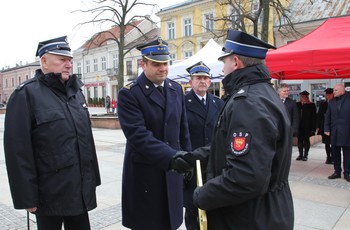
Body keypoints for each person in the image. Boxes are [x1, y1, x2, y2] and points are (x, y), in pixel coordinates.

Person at [192, 30, 294, 229]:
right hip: (265, 212)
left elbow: (246, 177)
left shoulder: (247, 102)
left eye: (224, 62)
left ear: (236, 62)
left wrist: (202, 195)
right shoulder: (264, 93)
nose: (222, 68)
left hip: (250, 217)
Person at [4, 36, 101, 230]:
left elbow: (86, 141)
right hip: (49, 194)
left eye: (70, 60)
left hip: (79, 189)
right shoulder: (26, 95)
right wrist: (26, 196)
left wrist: (93, 181)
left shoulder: (75, 92)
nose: (68, 64)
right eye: (62, 59)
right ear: (44, 62)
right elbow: (18, 151)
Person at [117, 37, 193, 230]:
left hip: (173, 172)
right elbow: (138, 136)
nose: (163, 68)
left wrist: (189, 158)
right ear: (143, 64)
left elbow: (183, 130)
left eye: (165, 63)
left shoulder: (176, 89)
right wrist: (174, 157)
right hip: (146, 176)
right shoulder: (130, 93)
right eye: (157, 64)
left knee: (171, 223)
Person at [183, 61, 224, 230]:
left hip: (213, 164)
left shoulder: (218, 103)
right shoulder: (182, 103)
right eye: (198, 78)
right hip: (193, 165)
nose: (202, 81)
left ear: (210, 81)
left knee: (213, 206)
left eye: (206, 78)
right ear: (191, 81)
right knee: (193, 208)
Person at [324, 84, 350, 181]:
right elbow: (327, 116)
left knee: (347, 153)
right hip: (334, 131)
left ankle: (347, 172)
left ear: (342, 90)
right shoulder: (331, 102)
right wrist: (326, 128)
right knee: (335, 153)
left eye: (335, 90)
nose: (333, 92)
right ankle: (337, 172)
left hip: (347, 131)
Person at [296, 90, 317, 161]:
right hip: (299, 126)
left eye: (305, 97)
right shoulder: (297, 104)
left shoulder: (311, 105)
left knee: (306, 140)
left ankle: (305, 155)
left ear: (307, 97)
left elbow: (314, 117)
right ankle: (300, 154)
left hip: (307, 126)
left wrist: (313, 128)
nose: (304, 98)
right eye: (302, 97)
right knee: (299, 140)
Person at [316, 88, 334, 164]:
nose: (328, 96)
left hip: (333, 126)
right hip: (324, 126)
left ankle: (333, 157)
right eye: (327, 95)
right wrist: (318, 126)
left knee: (333, 143)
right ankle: (328, 157)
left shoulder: (335, 103)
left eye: (330, 94)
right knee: (327, 143)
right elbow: (319, 115)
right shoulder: (323, 104)